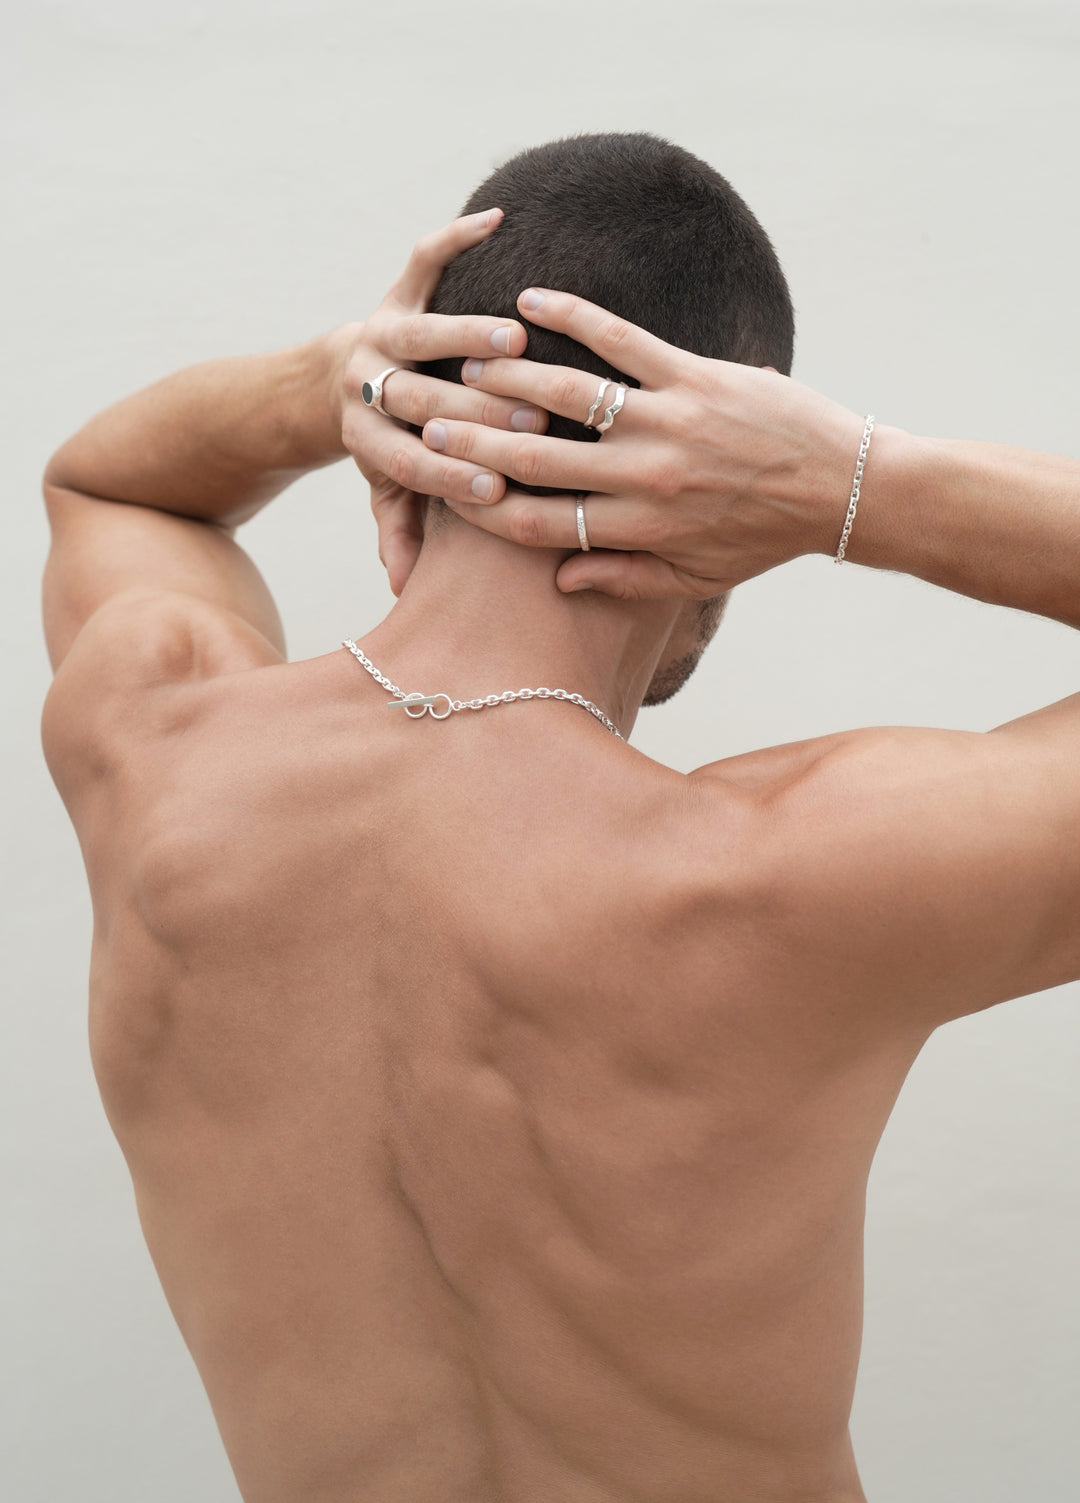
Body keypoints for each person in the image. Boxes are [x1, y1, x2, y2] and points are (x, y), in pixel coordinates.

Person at [38, 131, 1079, 1503]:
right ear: (725, 497)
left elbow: (107, 483)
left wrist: (335, 382)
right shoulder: (796, 876)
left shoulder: (156, 752)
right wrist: (852, 485)